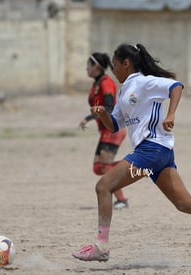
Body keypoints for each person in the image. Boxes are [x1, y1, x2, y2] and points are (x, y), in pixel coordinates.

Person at [72, 43, 191, 262]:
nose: (114, 70)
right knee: (184, 203)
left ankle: (102, 246)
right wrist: (101, 114)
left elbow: (176, 86)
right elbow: (114, 125)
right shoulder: (124, 90)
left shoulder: (145, 81)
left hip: (152, 150)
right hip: (160, 154)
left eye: (115, 65)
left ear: (126, 64)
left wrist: (171, 114)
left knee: (103, 186)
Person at [78, 52, 129, 209]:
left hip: (114, 128)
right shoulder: (97, 83)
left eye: (89, 65)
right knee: (98, 167)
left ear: (97, 67)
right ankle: (136, 166)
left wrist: (88, 117)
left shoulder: (106, 83)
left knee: (104, 166)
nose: (86, 68)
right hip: (107, 130)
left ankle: (121, 200)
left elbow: (109, 107)